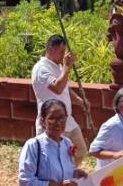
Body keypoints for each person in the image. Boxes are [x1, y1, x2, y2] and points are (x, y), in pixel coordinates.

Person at [30, 35, 86, 164]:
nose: (63, 55)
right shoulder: (41, 68)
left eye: (64, 52)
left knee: (81, 150)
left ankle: (67, 174)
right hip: (52, 123)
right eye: (61, 52)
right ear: (50, 49)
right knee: (55, 159)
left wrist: (78, 100)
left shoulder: (57, 66)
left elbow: (65, 86)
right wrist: (67, 67)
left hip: (68, 120)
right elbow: (57, 88)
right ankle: (58, 179)